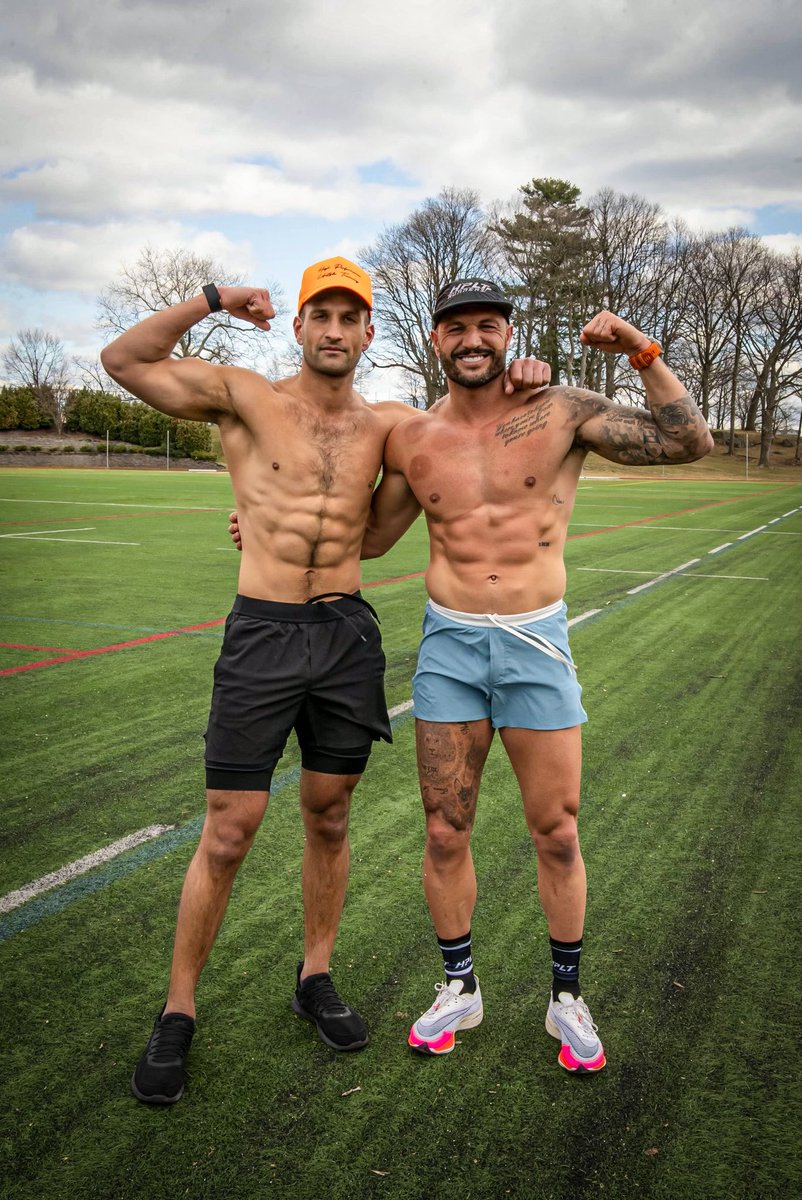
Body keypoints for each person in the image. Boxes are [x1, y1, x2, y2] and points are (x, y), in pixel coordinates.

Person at [100, 259, 545, 1105]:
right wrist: (215, 300)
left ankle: (315, 977)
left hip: (344, 638)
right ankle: (178, 1011)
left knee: (330, 814)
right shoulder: (243, 395)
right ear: (299, 325)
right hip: (262, 634)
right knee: (229, 828)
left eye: (350, 317)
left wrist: (526, 378)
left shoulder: (392, 426)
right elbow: (124, 361)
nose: (335, 329)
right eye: (322, 314)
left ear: (370, 332)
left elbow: (455, 451)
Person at [356, 278, 713, 1072]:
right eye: (457, 327)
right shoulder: (413, 437)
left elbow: (689, 441)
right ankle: (460, 988)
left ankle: (566, 999)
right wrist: (267, 521)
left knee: (556, 831)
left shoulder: (560, 410)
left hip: (535, 645)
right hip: (449, 647)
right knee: (444, 828)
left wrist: (641, 349)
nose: (472, 339)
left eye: (488, 324)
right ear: (437, 338)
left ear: (508, 334)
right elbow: (371, 539)